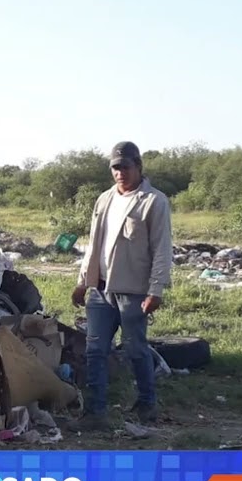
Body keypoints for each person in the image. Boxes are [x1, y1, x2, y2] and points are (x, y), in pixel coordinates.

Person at [67, 141, 173, 432]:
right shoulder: (104, 200)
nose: (120, 173)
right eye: (116, 168)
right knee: (95, 349)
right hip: (100, 289)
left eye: (125, 167)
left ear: (138, 166)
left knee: (135, 348)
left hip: (134, 288)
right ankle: (95, 413)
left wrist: (156, 290)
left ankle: (147, 403)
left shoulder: (154, 201)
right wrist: (82, 283)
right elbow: (93, 245)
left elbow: (162, 249)